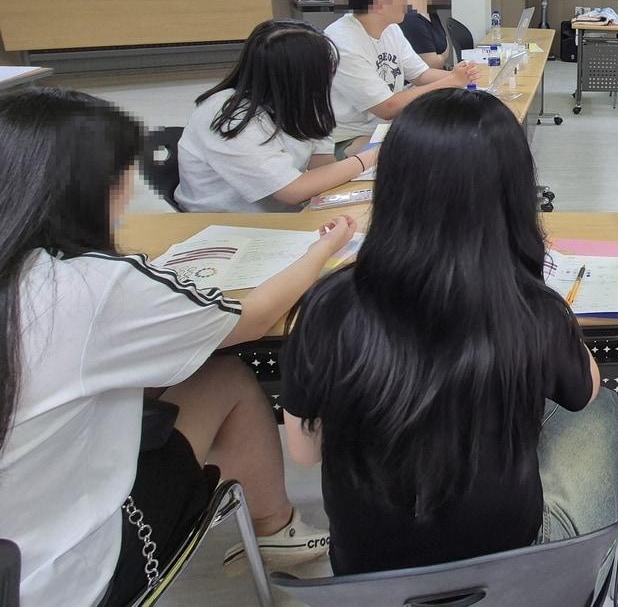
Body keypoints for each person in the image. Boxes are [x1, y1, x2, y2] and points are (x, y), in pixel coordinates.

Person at [0, 88, 353, 607]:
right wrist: (324, 246)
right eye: (127, 169)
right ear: (98, 185)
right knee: (228, 377)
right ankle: (277, 528)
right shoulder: (88, 290)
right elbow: (251, 318)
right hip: (59, 578)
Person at [278, 89, 618, 575]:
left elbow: (303, 452)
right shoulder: (530, 310)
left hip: (368, 583)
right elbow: (582, 392)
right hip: (510, 575)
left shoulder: (328, 308)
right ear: (513, 196)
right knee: (603, 410)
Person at [175, 20, 380, 212]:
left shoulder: (300, 100)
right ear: (297, 76)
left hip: (283, 213)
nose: (331, 74)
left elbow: (323, 164)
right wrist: (372, 156)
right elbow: (292, 191)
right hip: (227, 223)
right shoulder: (230, 117)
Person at [325, 0, 478, 154]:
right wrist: (451, 81)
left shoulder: (391, 29)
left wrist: (465, 76)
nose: (407, 0)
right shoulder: (342, 42)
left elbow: (421, 74)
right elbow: (387, 107)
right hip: (350, 139)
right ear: (379, 4)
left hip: (387, 128)